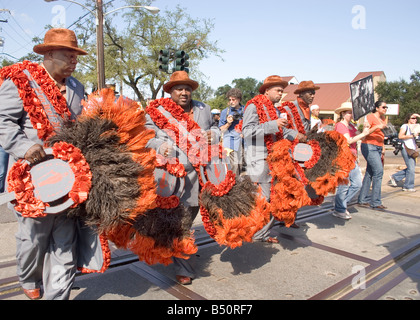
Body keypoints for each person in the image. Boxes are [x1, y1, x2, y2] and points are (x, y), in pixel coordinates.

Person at [0, 28, 87, 300]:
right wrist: (25, 148)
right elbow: (2, 121)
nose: (74, 61)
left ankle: (56, 295)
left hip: (67, 179)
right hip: (31, 179)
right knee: (34, 239)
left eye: (76, 56)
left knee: (64, 242)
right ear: (48, 54)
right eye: (68, 55)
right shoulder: (20, 80)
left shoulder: (76, 87)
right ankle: (29, 277)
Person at [145, 71, 219, 285]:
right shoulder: (157, 110)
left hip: (199, 175)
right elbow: (145, 136)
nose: (184, 92)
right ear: (170, 91)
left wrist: (216, 135)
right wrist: (160, 145)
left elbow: (214, 129)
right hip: (170, 176)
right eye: (179, 88)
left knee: (187, 220)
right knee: (177, 222)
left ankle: (179, 258)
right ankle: (179, 261)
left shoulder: (203, 109)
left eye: (187, 88)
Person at [242, 75, 306, 243]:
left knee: (274, 197)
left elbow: (280, 132)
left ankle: (260, 233)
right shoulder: (253, 106)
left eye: (282, 91)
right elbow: (247, 132)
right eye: (278, 90)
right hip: (259, 159)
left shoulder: (274, 109)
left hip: (274, 159)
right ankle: (255, 232)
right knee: (264, 199)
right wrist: (273, 124)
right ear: (266, 90)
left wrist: (295, 134)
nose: (281, 93)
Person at [333, 102, 370, 220]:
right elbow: (348, 141)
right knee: (343, 186)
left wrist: (366, 129)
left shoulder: (352, 126)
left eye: (352, 112)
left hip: (352, 158)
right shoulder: (340, 125)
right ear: (343, 113)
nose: (351, 115)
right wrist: (363, 133)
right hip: (343, 158)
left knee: (357, 184)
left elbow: (362, 136)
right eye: (349, 112)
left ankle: (340, 205)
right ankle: (340, 209)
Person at [358, 101, 389, 210]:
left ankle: (362, 199)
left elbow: (382, 136)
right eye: (383, 107)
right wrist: (376, 127)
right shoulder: (370, 117)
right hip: (369, 145)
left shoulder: (383, 119)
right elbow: (364, 133)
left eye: (386, 107)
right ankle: (376, 201)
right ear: (377, 108)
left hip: (378, 147)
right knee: (379, 172)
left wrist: (383, 149)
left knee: (370, 172)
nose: (385, 109)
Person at [389, 113, 420, 192]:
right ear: (408, 119)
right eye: (413, 118)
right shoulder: (405, 126)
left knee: (411, 168)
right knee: (411, 168)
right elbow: (400, 136)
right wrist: (412, 136)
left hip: (412, 149)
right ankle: (408, 186)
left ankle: (395, 177)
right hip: (406, 148)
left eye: (416, 118)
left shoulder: (415, 127)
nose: (415, 120)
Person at [219, 88, 245, 177]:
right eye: (229, 100)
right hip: (230, 142)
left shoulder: (246, 110)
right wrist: (228, 123)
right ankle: (233, 185)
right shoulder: (225, 112)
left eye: (233, 99)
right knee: (234, 165)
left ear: (239, 99)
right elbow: (221, 129)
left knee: (241, 165)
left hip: (244, 142)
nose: (231, 102)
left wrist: (245, 132)